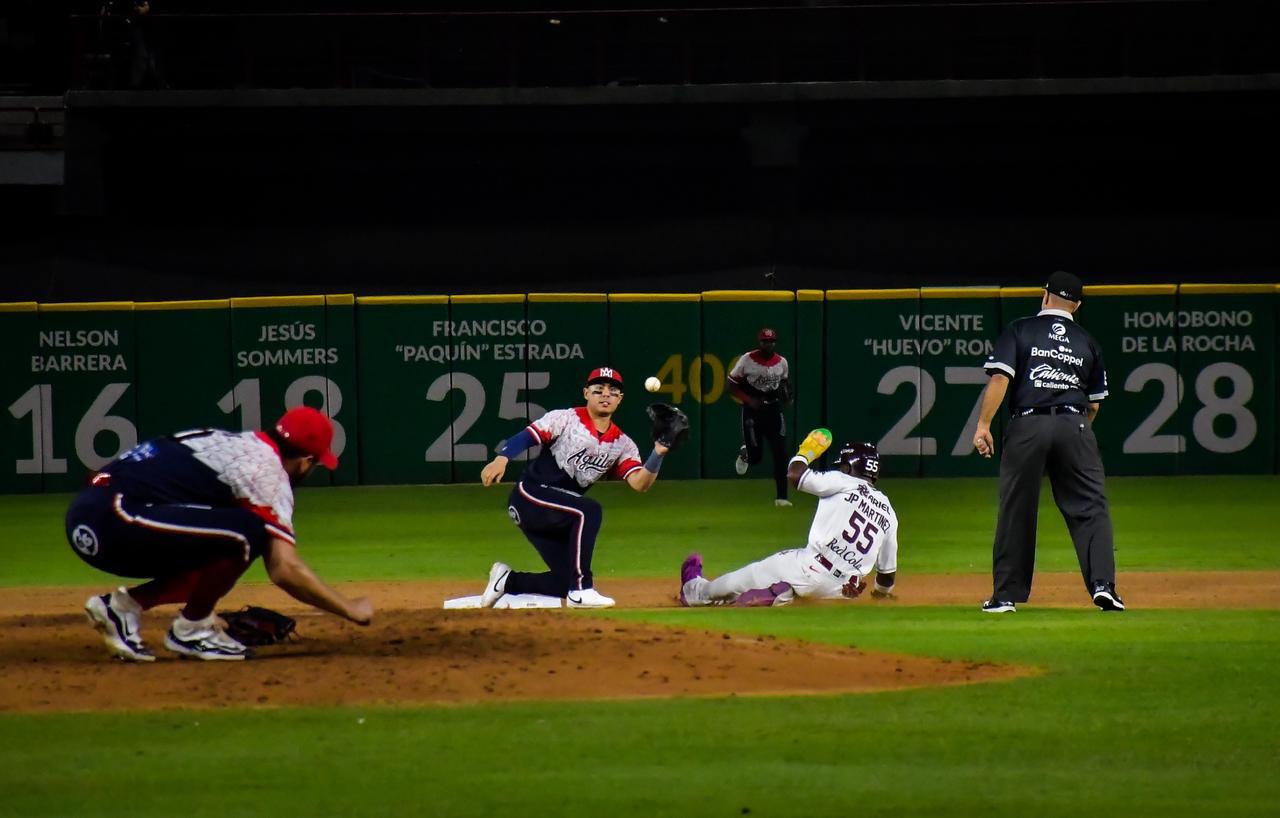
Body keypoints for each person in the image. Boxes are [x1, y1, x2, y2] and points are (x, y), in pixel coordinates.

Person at [67, 406, 374, 662]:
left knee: (221, 540)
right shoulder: (266, 471)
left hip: (92, 516)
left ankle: (124, 608)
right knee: (247, 533)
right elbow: (284, 568)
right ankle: (194, 629)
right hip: (116, 517)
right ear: (307, 462)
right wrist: (349, 608)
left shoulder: (235, 444)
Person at [972, 270, 1123, 613]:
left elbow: (1000, 377)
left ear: (1044, 296)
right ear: (1077, 305)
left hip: (1028, 424)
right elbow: (1095, 403)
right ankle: (1104, 586)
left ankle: (1005, 596)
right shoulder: (1087, 341)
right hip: (1075, 423)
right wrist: (1075, 431)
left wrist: (983, 425)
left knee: (1017, 509)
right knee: (1091, 507)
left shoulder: (1020, 329)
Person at [478, 367, 670, 609]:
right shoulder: (566, 418)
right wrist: (502, 458)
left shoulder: (623, 444)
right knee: (589, 511)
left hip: (559, 511)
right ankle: (582, 590)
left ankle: (507, 581)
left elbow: (640, 484)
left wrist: (659, 452)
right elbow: (529, 435)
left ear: (620, 399)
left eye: (613, 391)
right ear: (586, 393)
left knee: (563, 581)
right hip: (531, 496)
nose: (605, 395)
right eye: (598, 390)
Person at [679, 431, 898, 607]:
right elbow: (887, 577)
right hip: (843, 592)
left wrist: (806, 452)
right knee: (805, 590)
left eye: (843, 465)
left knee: (745, 577)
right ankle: (783, 595)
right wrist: (879, 596)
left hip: (807, 567)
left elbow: (796, 475)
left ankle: (695, 591)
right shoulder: (888, 513)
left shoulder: (842, 481)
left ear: (849, 467)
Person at [728, 327, 793, 506]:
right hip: (753, 411)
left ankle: (782, 497)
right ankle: (746, 453)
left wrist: (787, 396)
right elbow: (731, 384)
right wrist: (748, 400)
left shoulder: (782, 362)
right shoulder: (747, 359)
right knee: (756, 457)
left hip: (773, 410)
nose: (768, 344)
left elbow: (785, 383)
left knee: (781, 454)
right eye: (765, 341)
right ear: (760, 342)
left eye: (771, 341)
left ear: (775, 342)